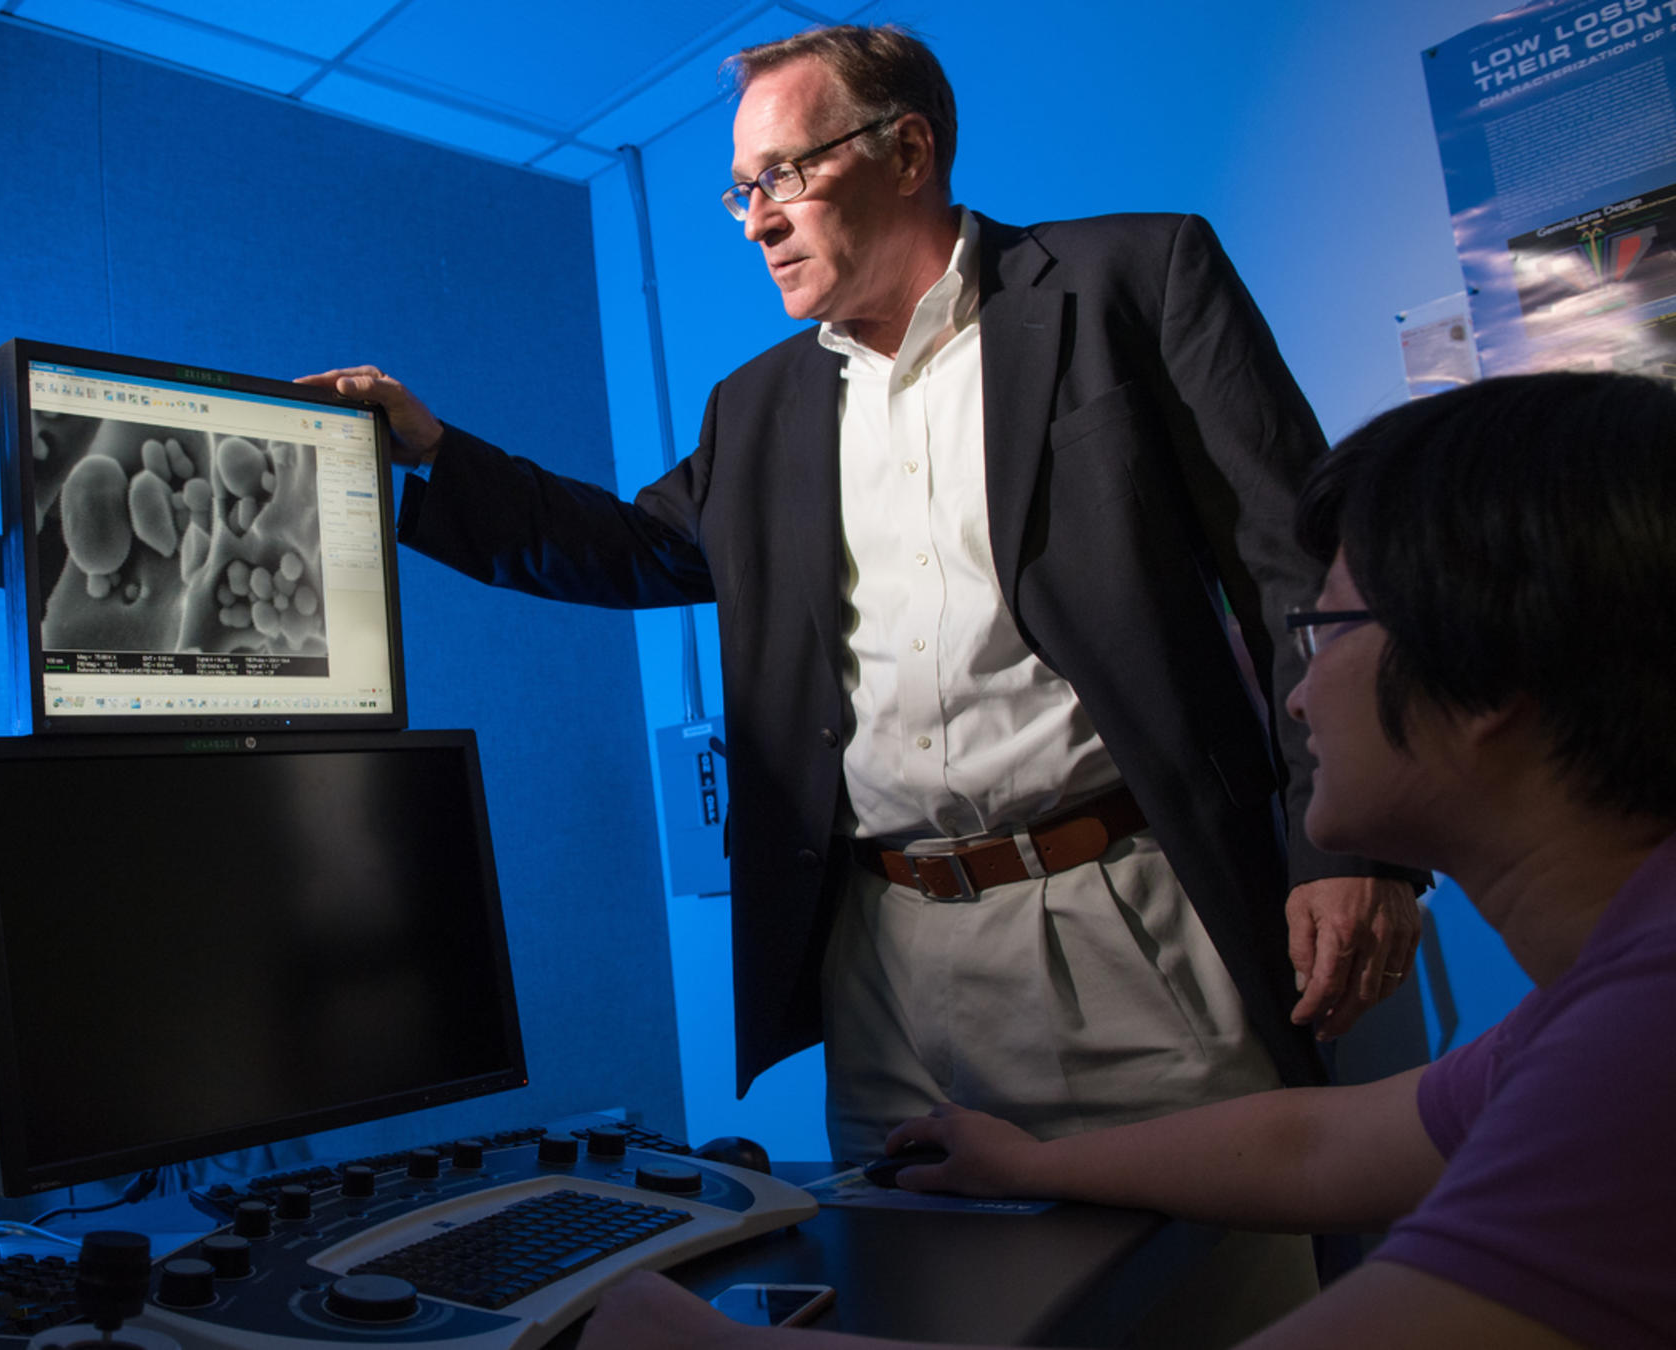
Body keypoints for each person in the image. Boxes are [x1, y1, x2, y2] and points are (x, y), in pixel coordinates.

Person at [305, 20, 1419, 1162]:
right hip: (882, 965)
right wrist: (434, 449)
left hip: (1127, 915)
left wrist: (1358, 850)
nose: (758, 222)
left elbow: (1309, 570)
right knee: (919, 1299)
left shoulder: (1132, 281)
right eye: (740, 193)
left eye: (783, 175)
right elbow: (636, 548)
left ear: (909, 149)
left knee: (1205, 1296)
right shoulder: (758, 408)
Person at [577, 370, 1676, 1349]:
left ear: (1488, 683)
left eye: (1324, 629)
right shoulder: (1616, 997)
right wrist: (1037, 1165)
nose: (1291, 693)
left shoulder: (1643, 1053)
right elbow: (1320, 1145)